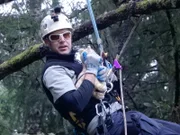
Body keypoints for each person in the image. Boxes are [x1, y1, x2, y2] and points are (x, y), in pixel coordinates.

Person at [40, 7, 180, 135]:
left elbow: (118, 91)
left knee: (175, 129)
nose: (62, 40)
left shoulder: (80, 57)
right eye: (55, 37)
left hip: (121, 118)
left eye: (66, 35)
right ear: (47, 41)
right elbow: (74, 103)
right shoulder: (54, 70)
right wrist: (91, 70)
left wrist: (108, 75)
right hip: (107, 125)